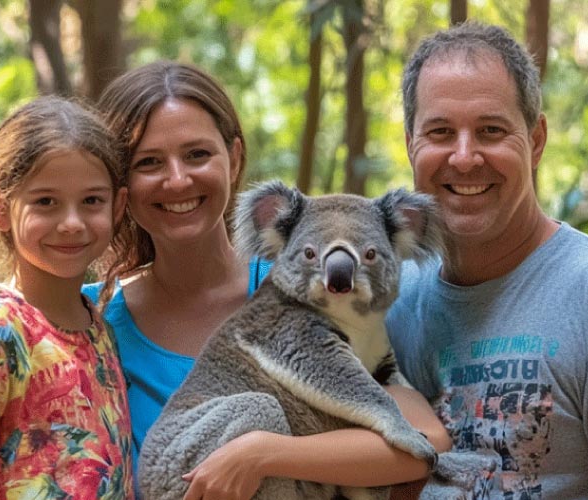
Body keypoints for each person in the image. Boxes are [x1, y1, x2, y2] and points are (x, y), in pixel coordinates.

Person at [83, 60, 451, 499]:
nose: (177, 179)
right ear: (119, 184)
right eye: (149, 162)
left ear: (234, 158)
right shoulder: (87, 322)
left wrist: (263, 453)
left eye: (197, 154)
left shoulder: (309, 286)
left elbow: (423, 442)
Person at [386, 22, 588, 499]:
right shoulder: (390, 300)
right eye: (440, 132)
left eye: (491, 131)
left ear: (536, 139)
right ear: (410, 143)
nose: (464, 157)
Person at [0, 96, 134, 499]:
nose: (71, 223)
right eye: (45, 202)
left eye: (91, 201)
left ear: (118, 205)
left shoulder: (101, 328)